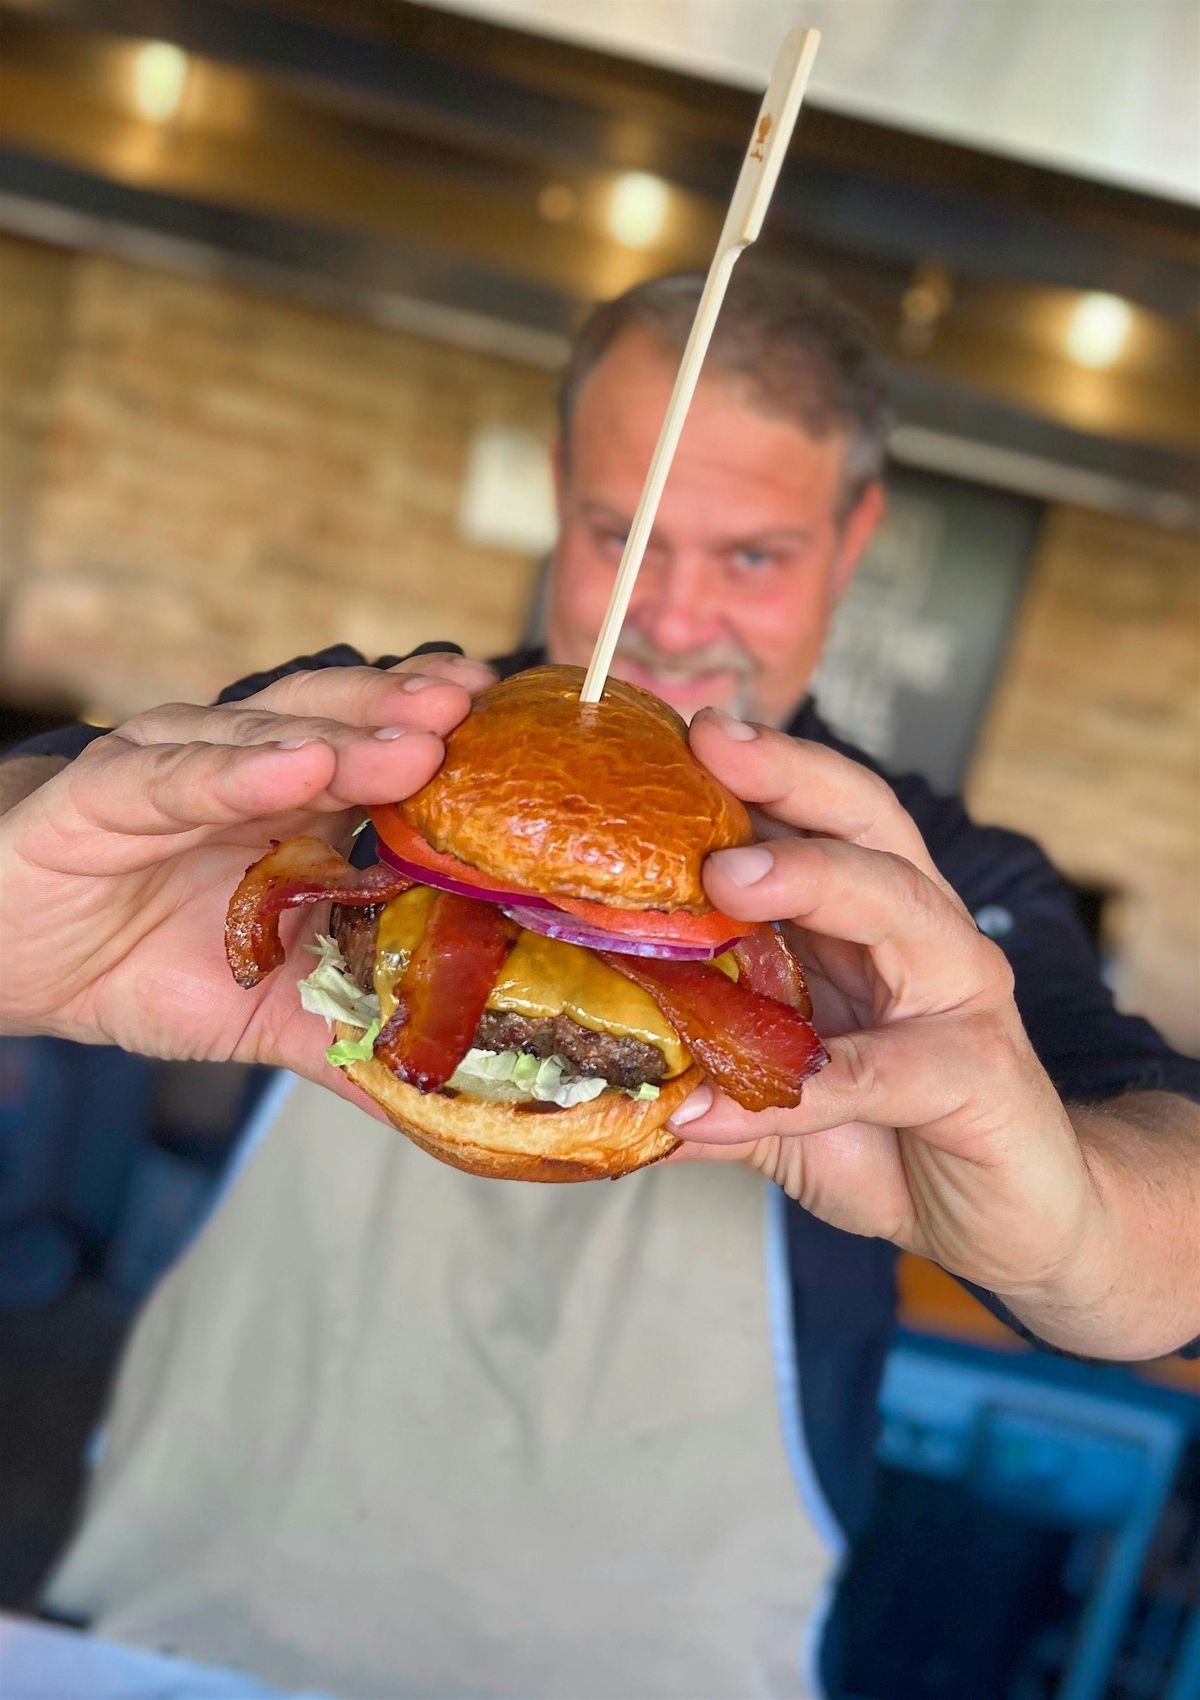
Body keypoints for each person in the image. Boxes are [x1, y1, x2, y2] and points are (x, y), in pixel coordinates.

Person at [2, 269, 1198, 1700]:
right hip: (178, 1641)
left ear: (854, 537)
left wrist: (1077, 1227)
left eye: (753, 555)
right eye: (622, 532)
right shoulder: (370, 743)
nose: (675, 618)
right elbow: (72, 795)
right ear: (558, 491)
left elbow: (1171, 1190)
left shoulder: (928, 878)